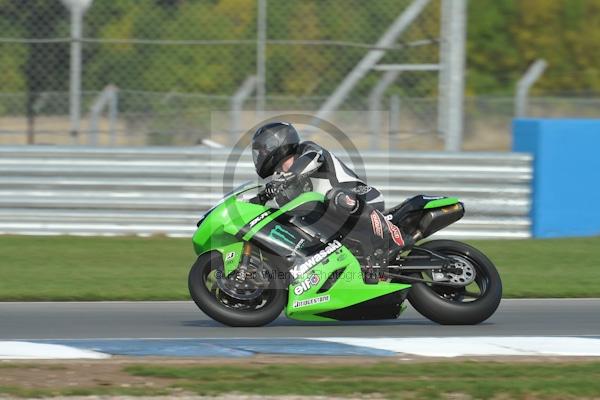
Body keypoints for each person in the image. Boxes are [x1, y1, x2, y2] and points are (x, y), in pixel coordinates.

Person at [251, 122, 412, 283]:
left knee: (336, 197)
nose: (260, 154)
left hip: (361, 197)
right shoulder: (280, 181)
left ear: (275, 142)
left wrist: (287, 178)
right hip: (335, 222)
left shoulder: (306, 150)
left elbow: (311, 160)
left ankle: (391, 236)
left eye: (262, 149)